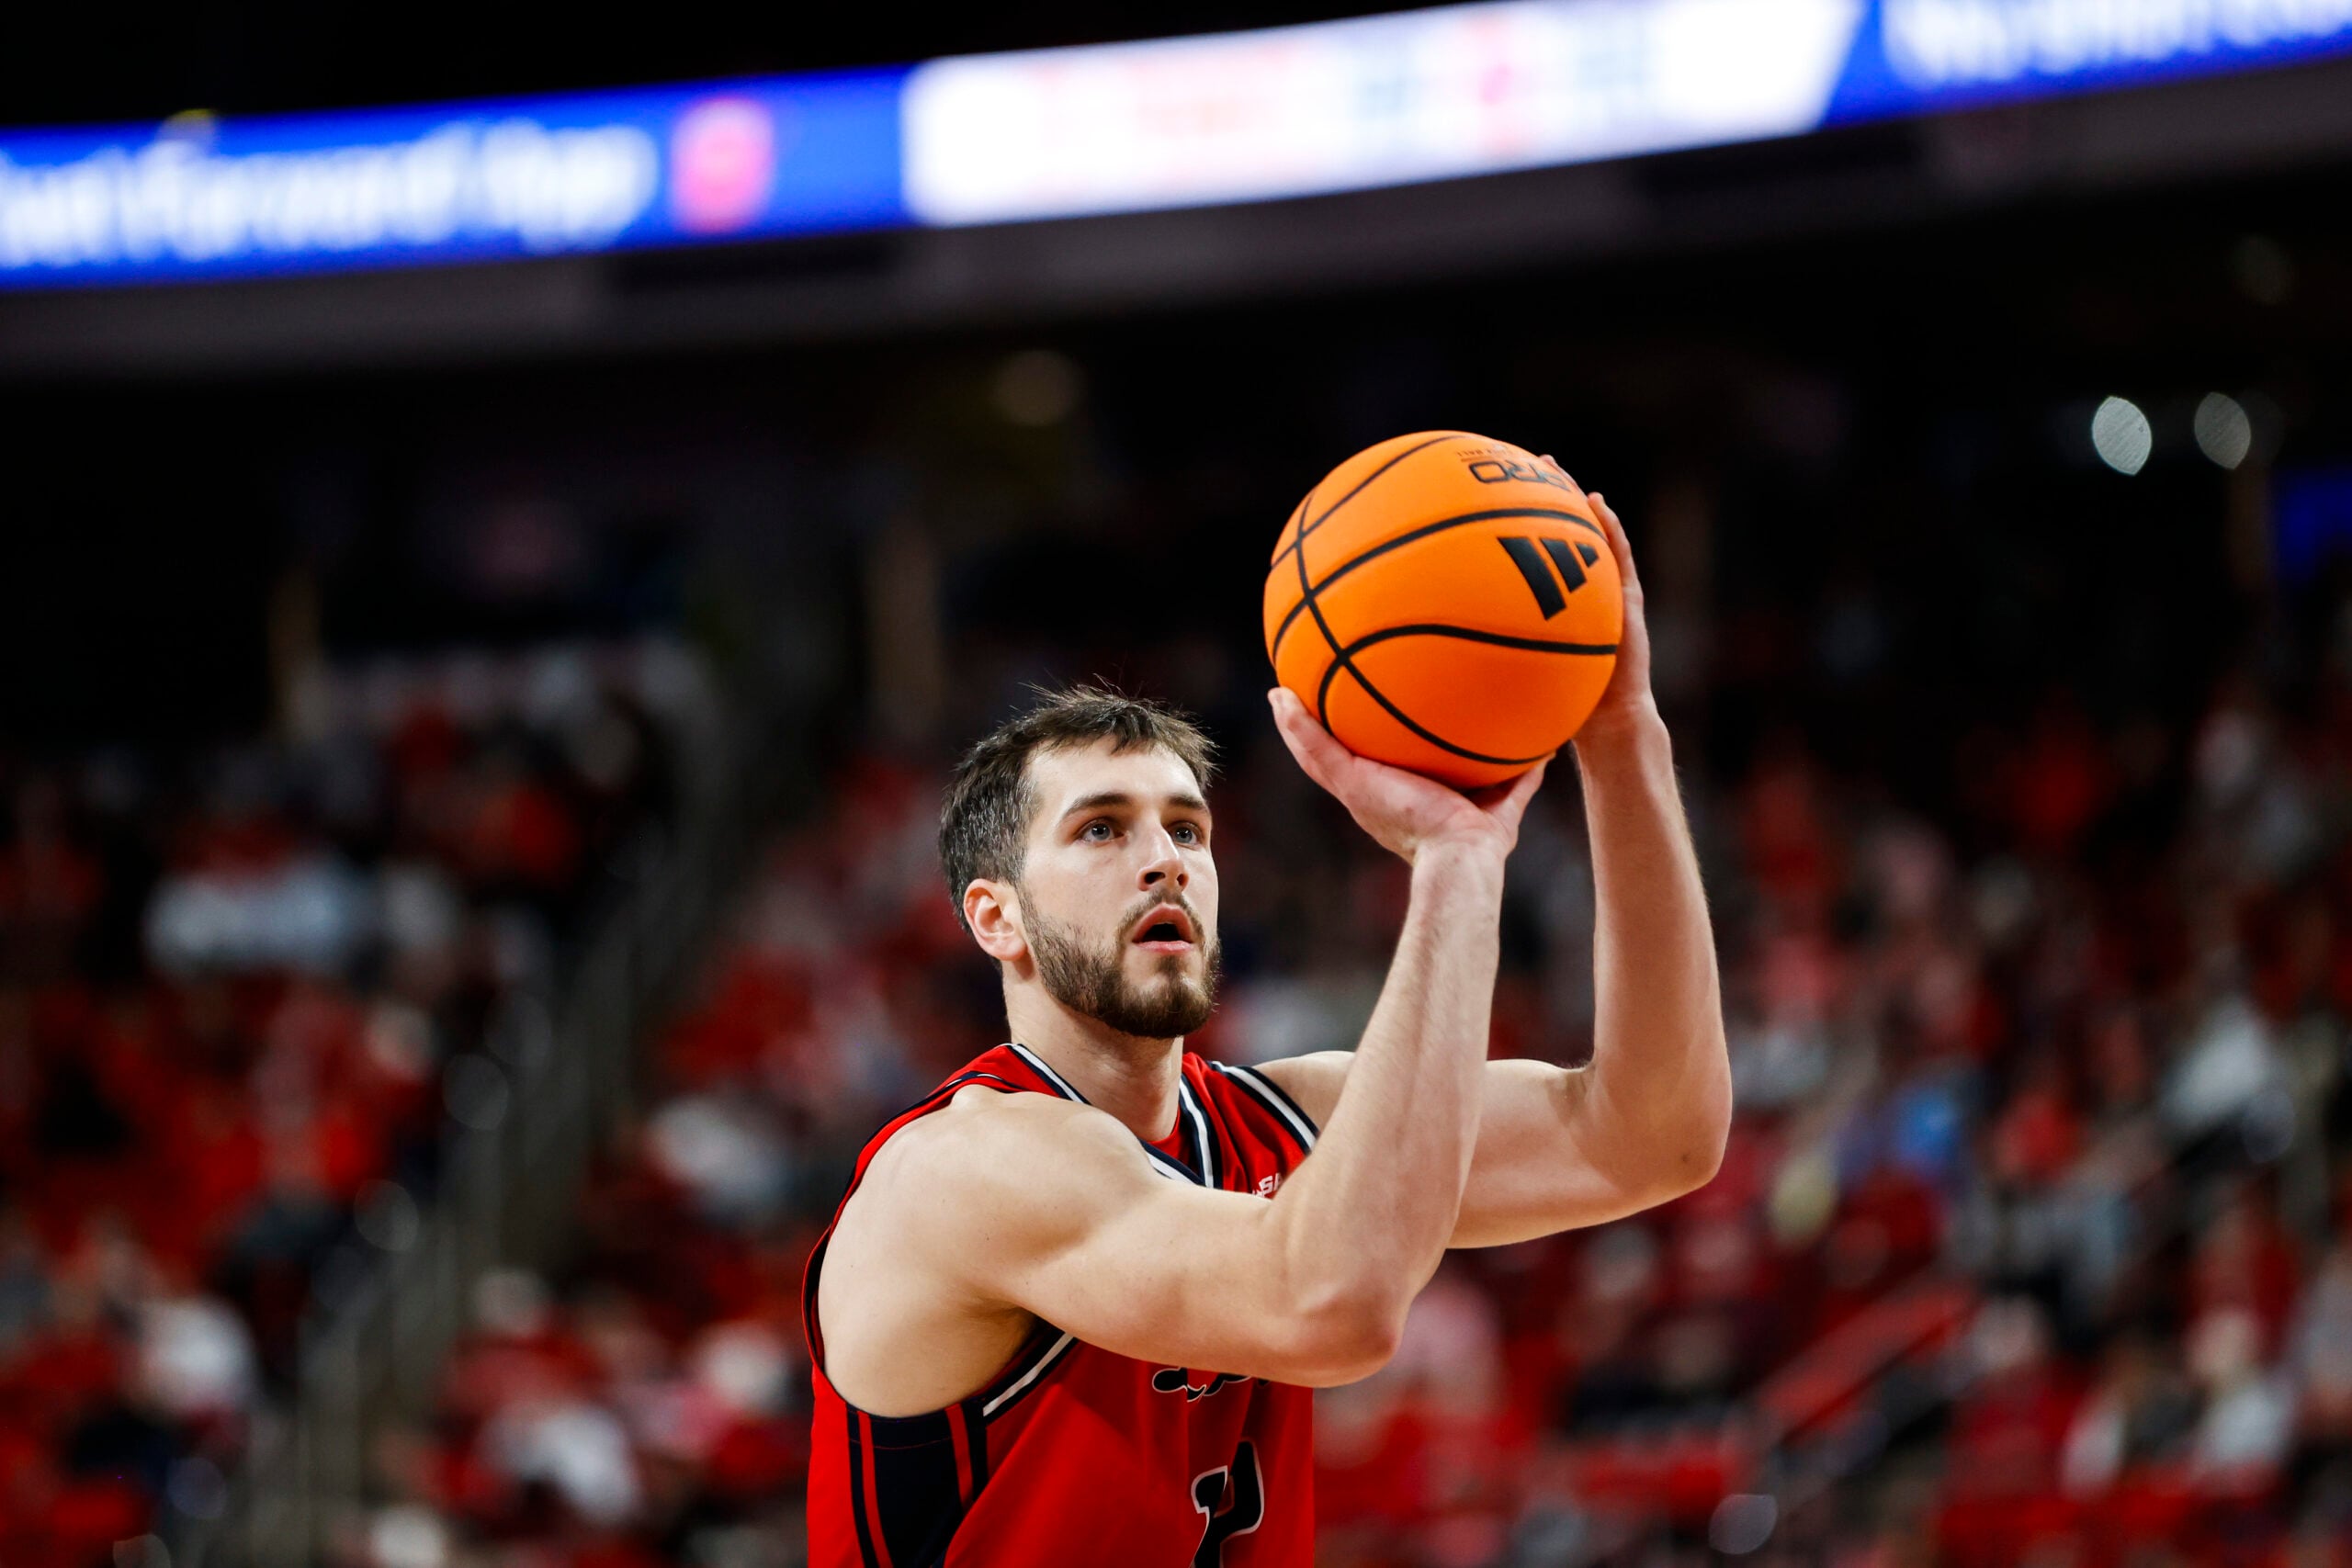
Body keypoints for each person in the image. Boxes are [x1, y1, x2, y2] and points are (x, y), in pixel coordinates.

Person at [804, 493, 1732, 1567]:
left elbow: (1653, 1133)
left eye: (1185, 827)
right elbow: (1327, 1304)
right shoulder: (964, 1170)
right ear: (993, 915)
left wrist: (1621, 740)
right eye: (1102, 827)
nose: (1165, 859)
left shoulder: (1279, 1118)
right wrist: (1457, 867)